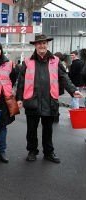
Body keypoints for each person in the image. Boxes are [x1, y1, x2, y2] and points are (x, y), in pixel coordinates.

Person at [16, 34, 83, 164]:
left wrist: (73, 90)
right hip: (32, 99)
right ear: (35, 45)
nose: (42, 45)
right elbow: (21, 82)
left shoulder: (55, 61)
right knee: (31, 129)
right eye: (39, 43)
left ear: (47, 44)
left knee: (48, 129)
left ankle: (48, 152)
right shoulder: (28, 61)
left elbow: (64, 77)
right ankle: (32, 151)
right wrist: (19, 98)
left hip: (50, 100)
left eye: (44, 43)